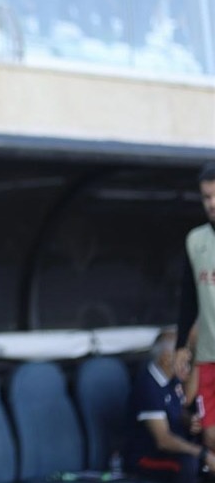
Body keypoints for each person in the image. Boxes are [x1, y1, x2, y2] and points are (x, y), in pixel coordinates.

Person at [124, 328, 215, 482]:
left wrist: (188, 420)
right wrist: (203, 454)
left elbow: (179, 407)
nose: (187, 360)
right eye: (183, 357)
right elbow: (163, 440)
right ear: (166, 358)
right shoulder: (148, 387)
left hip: (173, 448)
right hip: (146, 457)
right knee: (189, 463)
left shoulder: (172, 379)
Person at [176, 162, 215, 453]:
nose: (212, 203)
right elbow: (188, 298)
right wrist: (181, 345)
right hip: (208, 355)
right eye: (206, 197)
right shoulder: (195, 240)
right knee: (210, 437)